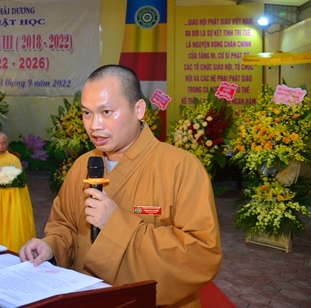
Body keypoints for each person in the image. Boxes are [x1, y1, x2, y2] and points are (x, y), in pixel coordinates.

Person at [18, 65, 221, 308]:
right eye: (86, 113)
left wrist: (115, 224)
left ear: (139, 109)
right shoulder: (82, 165)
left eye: (106, 112)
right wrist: (51, 245)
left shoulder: (181, 167)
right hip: (86, 299)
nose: (94, 125)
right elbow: (65, 227)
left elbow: (201, 256)